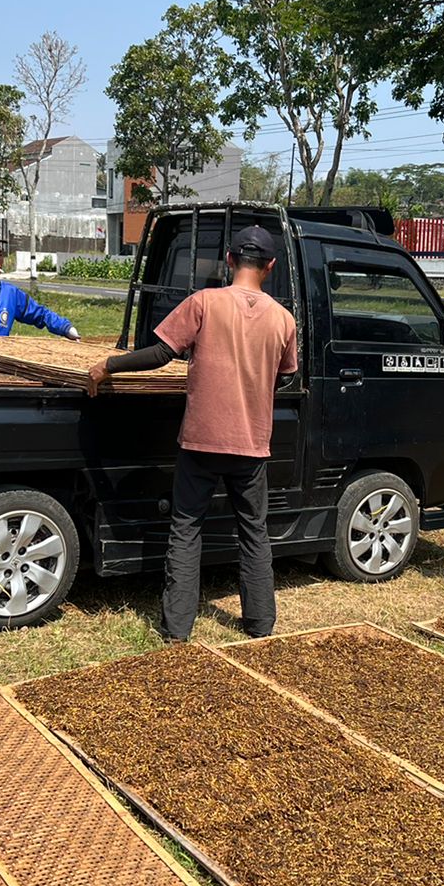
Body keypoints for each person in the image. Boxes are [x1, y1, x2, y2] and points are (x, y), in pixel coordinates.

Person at [86, 225, 298, 643]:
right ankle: (260, 625)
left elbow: (162, 353)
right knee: (254, 531)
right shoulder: (283, 319)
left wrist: (108, 365)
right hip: (252, 446)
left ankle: (176, 631)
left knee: (186, 529)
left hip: (201, 441)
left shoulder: (204, 302)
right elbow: (286, 377)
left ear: (229, 260)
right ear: (270, 267)